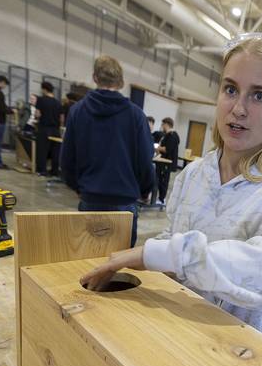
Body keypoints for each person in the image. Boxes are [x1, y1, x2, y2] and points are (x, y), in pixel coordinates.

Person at [80, 33, 262, 333]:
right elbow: (173, 236)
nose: (239, 108)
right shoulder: (194, 174)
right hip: (170, 328)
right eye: (231, 89)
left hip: (229, 347)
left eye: (259, 95)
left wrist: (154, 254)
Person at [60, 55, 154, 247]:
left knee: (88, 259)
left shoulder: (77, 111)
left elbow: (67, 159)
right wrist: (145, 190)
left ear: (95, 77)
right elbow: (145, 159)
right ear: (121, 82)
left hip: (90, 197)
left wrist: (77, 187)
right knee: (120, 262)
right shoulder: (136, 115)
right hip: (125, 200)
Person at [35, 81, 62, 178]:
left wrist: (37, 118)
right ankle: (54, 171)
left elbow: (37, 114)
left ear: (44, 89)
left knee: (42, 150)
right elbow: (61, 118)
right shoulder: (58, 103)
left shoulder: (41, 100)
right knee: (55, 152)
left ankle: (42, 170)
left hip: (44, 128)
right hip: (55, 130)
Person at [156, 117, 180, 205]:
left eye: (163, 124)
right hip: (162, 160)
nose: (162, 126)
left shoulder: (173, 135)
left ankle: (162, 199)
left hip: (167, 162)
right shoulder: (167, 135)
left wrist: (158, 148)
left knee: (164, 181)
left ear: (166, 124)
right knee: (160, 180)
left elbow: (167, 149)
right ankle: (160, 197)